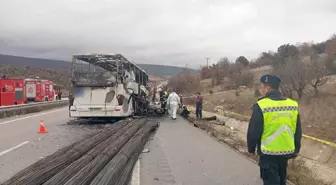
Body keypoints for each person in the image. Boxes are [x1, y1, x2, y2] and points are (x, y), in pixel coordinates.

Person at [247, 74, 302, 185]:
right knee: (282, 180)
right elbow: (297, 130)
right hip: (286, 152)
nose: (261, 90)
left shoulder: (262, 105)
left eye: (262, 87)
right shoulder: (292, 105)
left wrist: (251, 149)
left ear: (267, 88)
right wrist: (296, 148)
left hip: (268, 154)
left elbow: (254, 131)